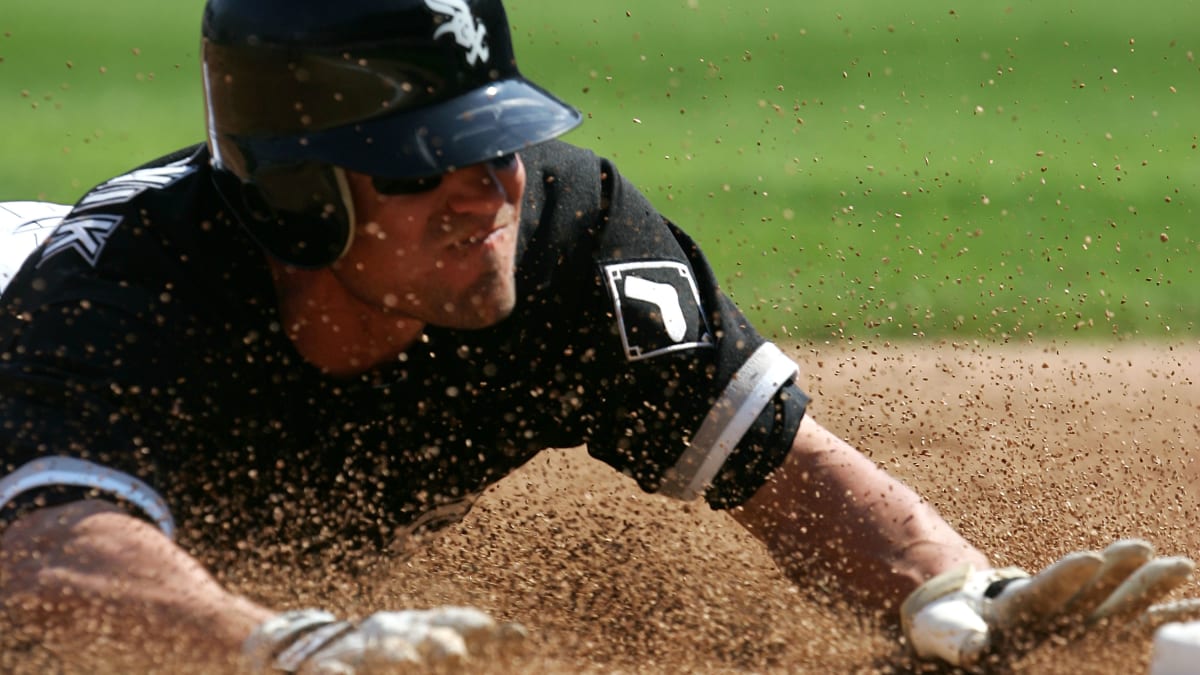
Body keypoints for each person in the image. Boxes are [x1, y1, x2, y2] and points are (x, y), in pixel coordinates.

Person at [1, 0, 1194, 672]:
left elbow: (784, 469)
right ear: (298, 195)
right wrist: (281, 647)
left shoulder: (572, 242)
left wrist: (950, 588)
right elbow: (40, 560)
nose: (491, 191)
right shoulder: (111, 297)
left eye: (499, 137)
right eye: (430, 161)